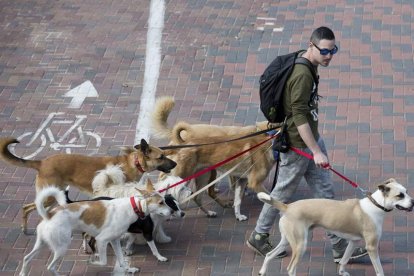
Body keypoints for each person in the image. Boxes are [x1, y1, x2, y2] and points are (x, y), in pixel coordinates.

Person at [247, 26, 368, 263]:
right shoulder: (302, 75)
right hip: (299, 144)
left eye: (333, 50)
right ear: (311, 45)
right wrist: (315, 151)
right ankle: (259, 235)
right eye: (324, 51)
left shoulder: (307, 60)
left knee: (325, 192)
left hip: (309, 140)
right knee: (283, 192)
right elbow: (299, 115)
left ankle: (338, 245)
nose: (329, 55)